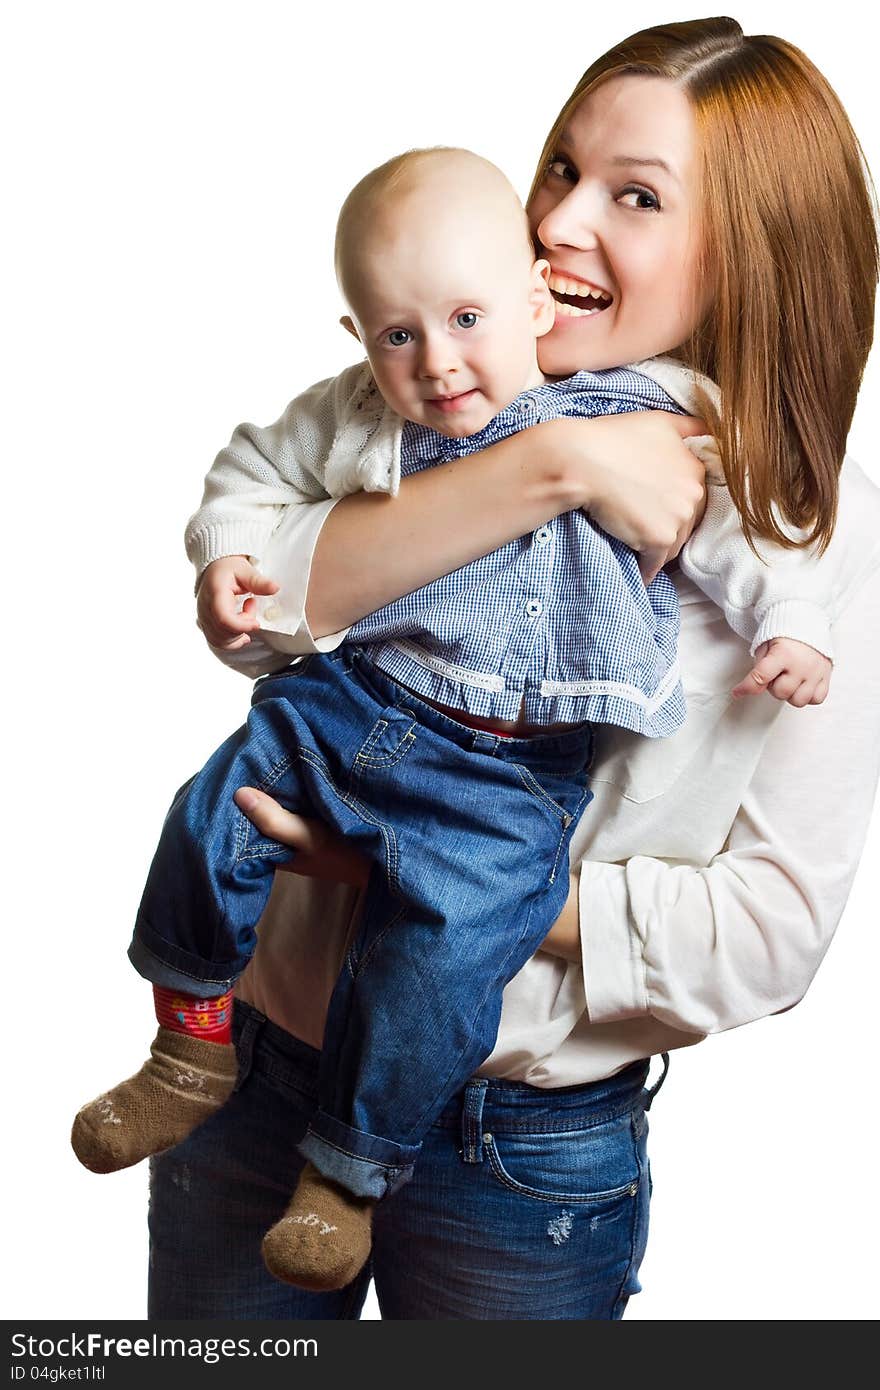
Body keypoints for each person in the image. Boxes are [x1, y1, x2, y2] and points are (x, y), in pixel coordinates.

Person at [143, 16, 880, 1319]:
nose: (558, 222)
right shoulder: (449, 375)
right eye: (558, 168)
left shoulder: (806, 535)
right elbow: (263, 617)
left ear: (754, 254)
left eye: (634, 196)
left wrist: (426, 875)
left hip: (518, 1149)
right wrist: (553, 466)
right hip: (255, 1074)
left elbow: (769, 934)